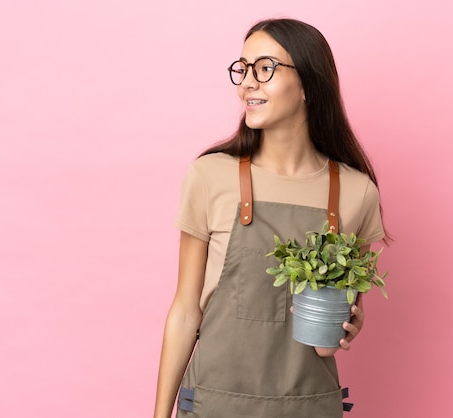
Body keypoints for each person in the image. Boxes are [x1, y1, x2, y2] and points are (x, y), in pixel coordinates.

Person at [154, 18, 386, 418]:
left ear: (309, 85)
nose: (247, 82)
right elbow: (185, 310)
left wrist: (350, 319)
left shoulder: (356, 192)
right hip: (213, 404)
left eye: (265, 68)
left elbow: (339, 321)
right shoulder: (210, 176)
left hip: (307, 406)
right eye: (243, 69)